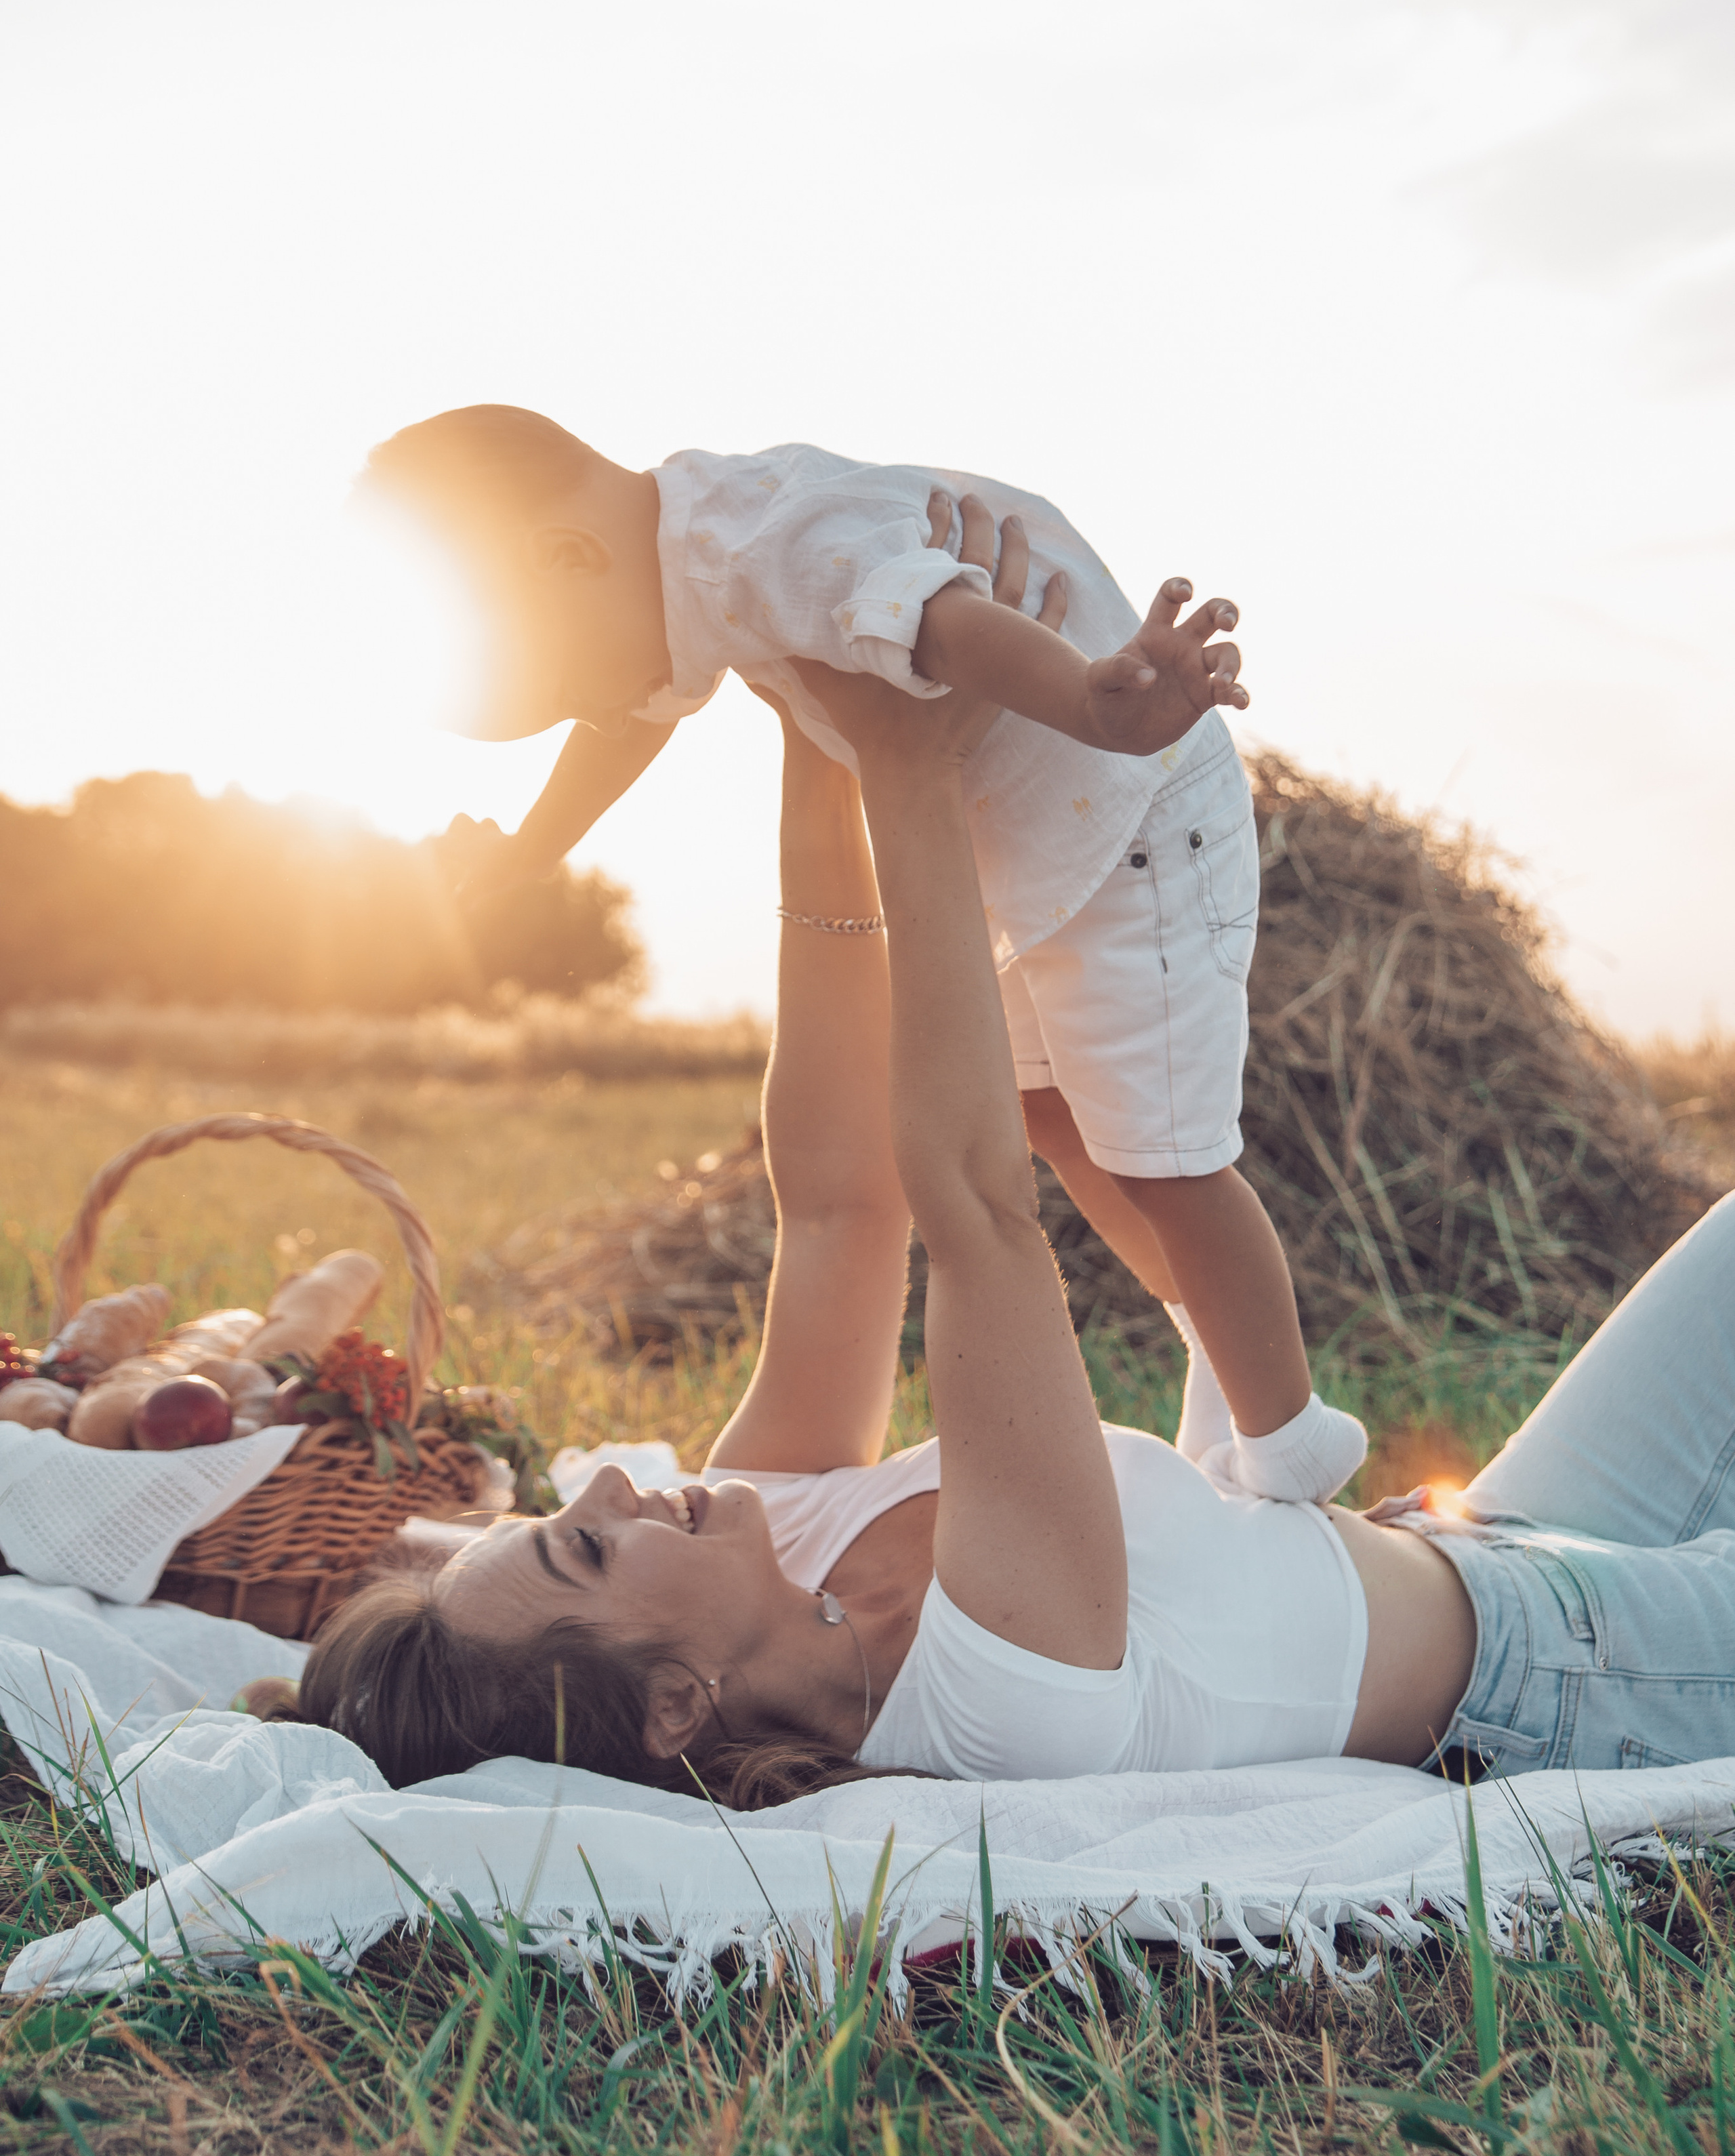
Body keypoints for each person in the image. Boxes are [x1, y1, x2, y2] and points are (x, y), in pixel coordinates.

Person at [282, 514, 1735, 1808]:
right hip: (1578, 1679)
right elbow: (975, 1212)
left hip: (1478, 1537)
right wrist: (908, 783)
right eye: (584, 1555)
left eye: (559, 1518)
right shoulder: (992, 1709)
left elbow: (836, 1213)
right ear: (673, 1706)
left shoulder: (768, 1516)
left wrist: (818, 743)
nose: (598, 1491)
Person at [359, 407, 1366, 1506]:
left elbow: (946, 619)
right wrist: (532, 853)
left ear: (565, 561)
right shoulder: (676, 572)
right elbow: (630, 717)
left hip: (1132, 815)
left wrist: (1090, 701)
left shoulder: (778, 542)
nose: (592, 710)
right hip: (1032, 856)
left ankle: (1290, 1440)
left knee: (1168, 1159)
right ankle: (1217, 1358)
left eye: (561, 691)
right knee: (1056, 1122)